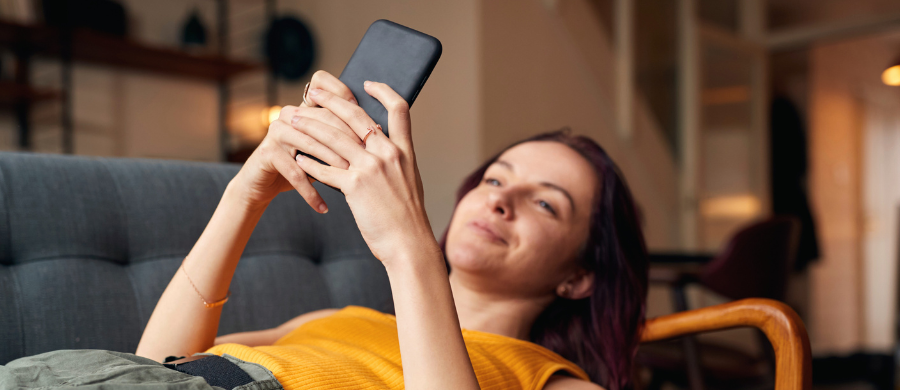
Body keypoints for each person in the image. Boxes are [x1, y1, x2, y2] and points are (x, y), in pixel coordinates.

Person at [2, 71, 647, 390]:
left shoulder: (552, 379)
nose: (503, 201)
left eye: (547, 205)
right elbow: (153, 365)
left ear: (578, 276)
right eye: (497, 179)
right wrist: (245, 193)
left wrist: (409, 248)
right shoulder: (339, 317)